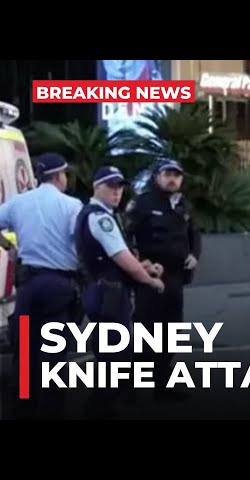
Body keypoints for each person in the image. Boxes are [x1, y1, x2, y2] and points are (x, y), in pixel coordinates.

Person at [74, 166, 165, 418]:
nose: (117, 193)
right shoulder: (100, 217)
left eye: (120, 187)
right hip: (109, 294)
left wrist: (145, 266)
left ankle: (103, 407)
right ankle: (98, 409)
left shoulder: (102, 215)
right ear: (96, 187)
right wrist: (149, 280)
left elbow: (117, 257)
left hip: (104, 291)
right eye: (111, 186)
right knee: (116, 357)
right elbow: (121, 257)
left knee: (112, 356)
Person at [0, 153, 83, 419]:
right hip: (58, 287)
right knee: (55, 354)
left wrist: (8, 247)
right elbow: (82, 243)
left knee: (24, 352)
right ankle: (52, 411)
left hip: (27, 288)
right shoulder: (72, 206)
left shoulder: (18, 203)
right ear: (59, 176)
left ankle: (22, 410)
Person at [124, 158, 201, 403]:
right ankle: (130, 388)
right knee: (145, 333)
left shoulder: (182, 203)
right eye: (168, 174)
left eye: (177, 175)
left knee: (170, 333)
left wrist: (194, 255)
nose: (173, 179)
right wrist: (142, 264)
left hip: (176, 276)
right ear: (157, 176)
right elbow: (126, 236)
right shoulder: (142, 203)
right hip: (150, 276)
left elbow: (194, 233)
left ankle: (163, 385)